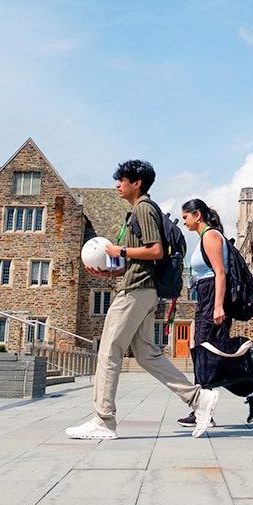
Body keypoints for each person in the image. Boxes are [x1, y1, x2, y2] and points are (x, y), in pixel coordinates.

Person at [65, 160, 219, 440]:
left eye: (121, 180)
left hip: (136, 292)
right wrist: (112, 272)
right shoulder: (140, 211)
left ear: (136, 183)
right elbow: (143, 260)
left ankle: (103, 420)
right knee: (147, 355)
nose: (117, 185)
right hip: (143, 289)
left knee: (108, 351)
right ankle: (198, 399)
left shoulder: (144, 208)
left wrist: (120, 250)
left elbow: (156, 251)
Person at [177, 198, 253, 428]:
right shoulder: (204, 237)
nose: (184, 222)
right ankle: (246, 393)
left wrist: (218, 306)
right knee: (206, 353)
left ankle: (205, 409)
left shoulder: (210, 236)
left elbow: (220, 272)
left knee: (205, 352)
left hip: (213, 297)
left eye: (186, 217)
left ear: (197, 215)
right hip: (205, 296)